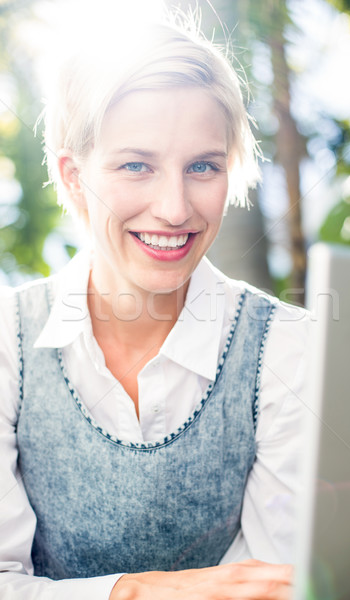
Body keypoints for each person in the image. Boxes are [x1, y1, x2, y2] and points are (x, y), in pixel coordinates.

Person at [0, 8, 309, 600]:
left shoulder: (290, 350)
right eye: (136, 165)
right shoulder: (8, 343)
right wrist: (142, 592)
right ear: (71, 177)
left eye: (203, 167)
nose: (174, 207)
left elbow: (277, 588)